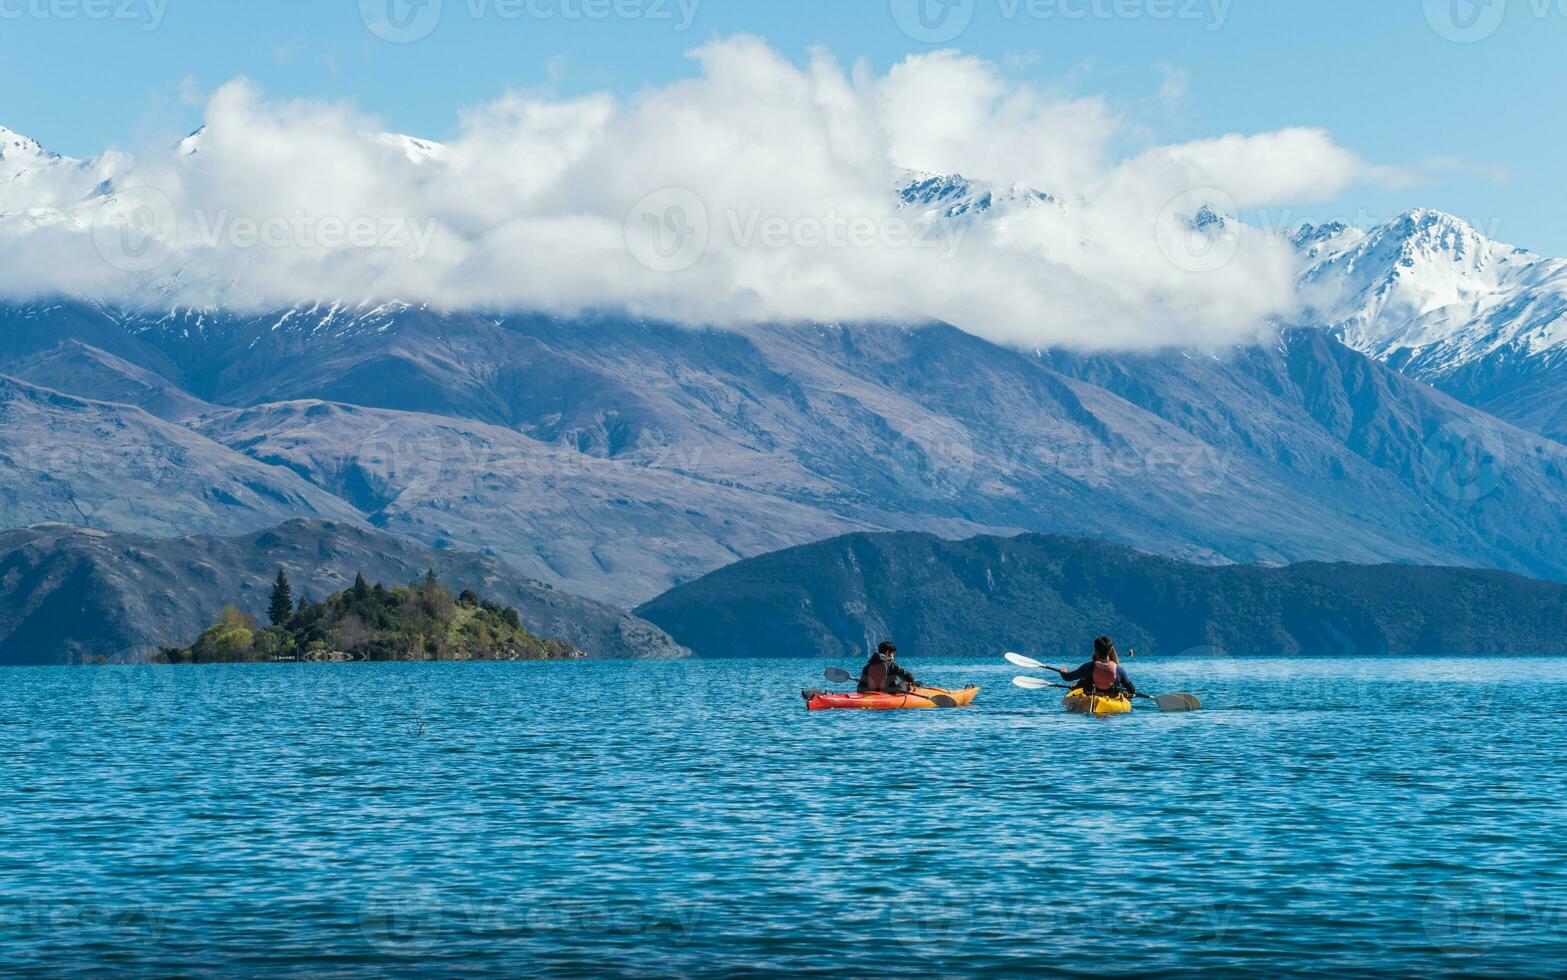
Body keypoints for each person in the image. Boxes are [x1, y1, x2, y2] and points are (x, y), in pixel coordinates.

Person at [1057, 636, 1136, 699]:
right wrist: (1129, 695)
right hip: (1112, 698)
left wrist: (1063, 672)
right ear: (1110, 651)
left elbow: (1068, 678)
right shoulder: (1119, 670)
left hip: (1091, 697)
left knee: (1084, 680)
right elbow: (1131, 689)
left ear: (1095, 651)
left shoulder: (1088, 667)